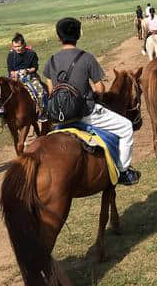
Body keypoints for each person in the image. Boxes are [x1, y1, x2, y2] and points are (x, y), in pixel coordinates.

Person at [42, 18, 141, 184]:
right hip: (85, 113)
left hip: (60, 117)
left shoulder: (51, 61)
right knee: (125, 127)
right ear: (78, 35)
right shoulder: (86, 57)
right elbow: (100, 89)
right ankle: (124, 171)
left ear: (58, 37)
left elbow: (51, 90)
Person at [7, 32, 48, 122]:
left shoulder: (31, 54)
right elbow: (10, 69)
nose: (17, 49)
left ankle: (42, 113)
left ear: (24, 45)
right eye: (15, 47)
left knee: (40, 91)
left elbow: (35, 67)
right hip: (15, 77)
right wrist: (13, 73)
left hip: (29, 76)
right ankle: (3, 113)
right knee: (3, 90)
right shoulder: (11, 55)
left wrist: (27, 71)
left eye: (18, 46)